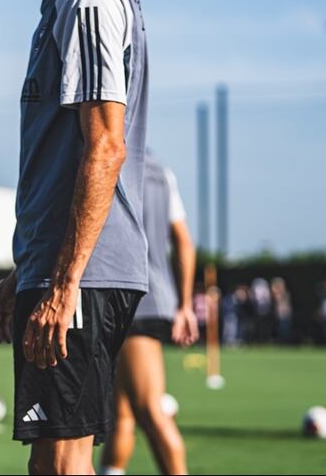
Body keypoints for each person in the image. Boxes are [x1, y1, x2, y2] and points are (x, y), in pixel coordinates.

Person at [0, 0, 150, 475]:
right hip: (63, 266)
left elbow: (105, 143)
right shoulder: (61, 0)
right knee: (54, 456)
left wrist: (63, 281)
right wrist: (27, 270)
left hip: (84, 272)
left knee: (61, 460)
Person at [100, 154, 198, 475]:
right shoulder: (162, 171)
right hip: (154, 294)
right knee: (122, 411)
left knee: (149, 409)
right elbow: (183, 241)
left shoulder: (105, 155)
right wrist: (184, 305)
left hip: (130, 295)